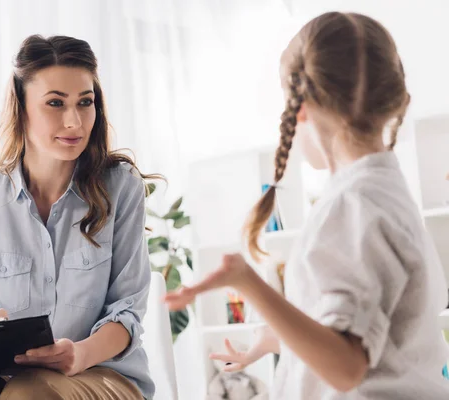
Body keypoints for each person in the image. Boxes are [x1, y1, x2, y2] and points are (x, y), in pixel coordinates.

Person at [165, 12, 449, 399]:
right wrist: (267, 342)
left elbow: (347, 367)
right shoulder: (384, 192)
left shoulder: (353, 205)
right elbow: (371, 342)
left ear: (300, 106)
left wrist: (247, 282)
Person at [0, 34, 156, 400]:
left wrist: (78, 354)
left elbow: (127, 313)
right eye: (55, 103)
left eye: (85, 103)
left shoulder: (120, 186)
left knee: (29, 393)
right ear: (21, 109)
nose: (74, 121)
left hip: (103, 374)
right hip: (8, 374)